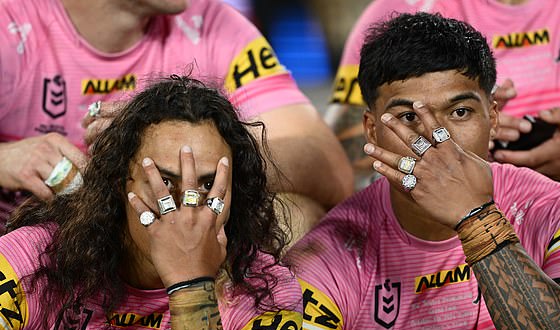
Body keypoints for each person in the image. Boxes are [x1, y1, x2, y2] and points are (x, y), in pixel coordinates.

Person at [286, 12, 560, 330]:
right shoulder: (321, 263)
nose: (435, 140)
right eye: (408, 117)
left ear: (493, 117)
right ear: (371, 131)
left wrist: (474, 217)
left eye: (460, 113)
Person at [0, 76, 303, 330]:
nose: (185, 214)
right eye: (165, 182)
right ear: (118, 182)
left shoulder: (266, 289)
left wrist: (190, 285)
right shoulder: (27, 261)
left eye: (207, 185)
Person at [0, 0, 353, 235]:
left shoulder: (211, 22)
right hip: (29, 264)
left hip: (161, 268)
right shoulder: (10, 22)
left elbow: (331, 169)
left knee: (294, 216)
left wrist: (200, 143)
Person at [326, 0, 560, 192]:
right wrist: (459, 135)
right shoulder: (398, 13)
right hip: (442, 238)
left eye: (462, 111)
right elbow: (343, 170)